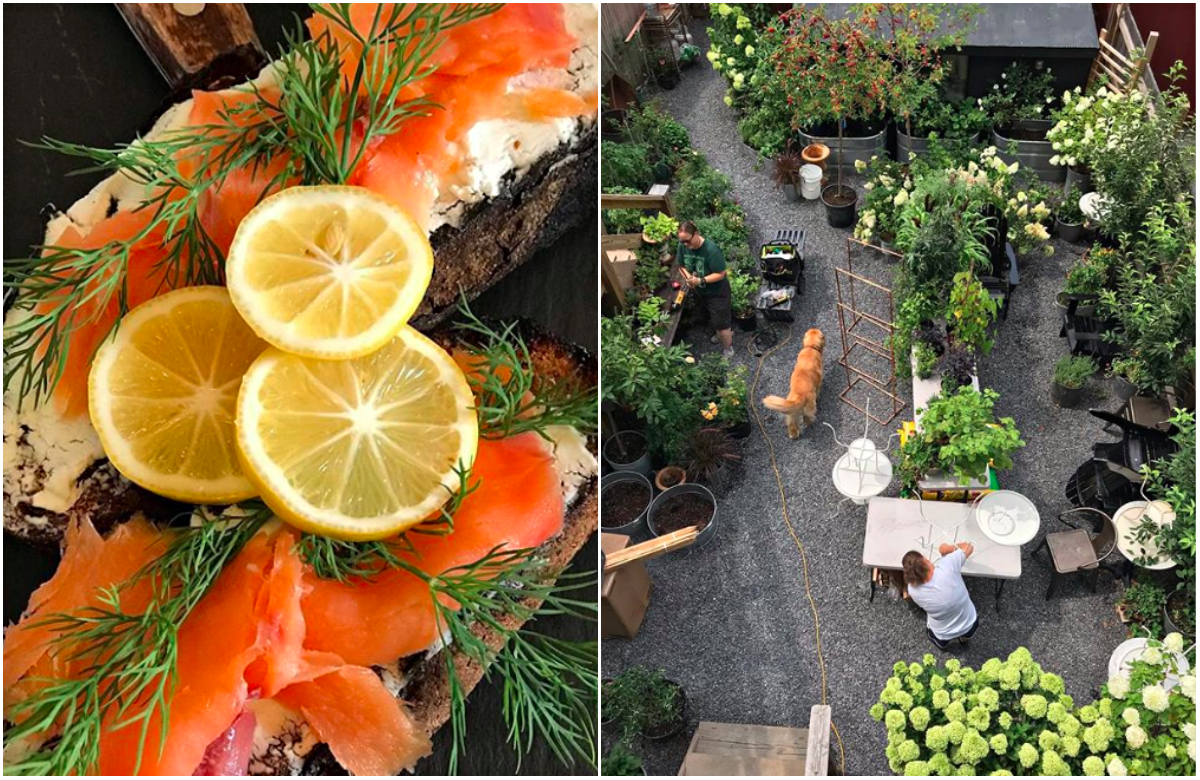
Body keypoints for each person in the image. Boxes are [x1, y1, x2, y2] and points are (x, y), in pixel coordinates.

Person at [903, 543, 979, 650]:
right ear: (925, 562)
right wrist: (946, 549)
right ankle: (963, 640)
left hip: (942, 631)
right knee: (967, 633)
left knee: (941, 641)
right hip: (968, 621)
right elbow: (969, 547)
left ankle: (944, 647)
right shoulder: (948, 565)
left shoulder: (912, 590)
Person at [676, 220, 733, 359]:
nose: (685, 245)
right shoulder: (683, 247)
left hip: (717, 292)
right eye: (682, 242)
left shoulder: (711, 250)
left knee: (721, 324)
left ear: (696, 234)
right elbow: (681, 266)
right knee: (708, 316)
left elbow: (721, 274)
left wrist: (700, 280)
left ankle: (728, 349)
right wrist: (689, 278)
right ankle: (719, 334)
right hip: (699, 292)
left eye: (688, 241)